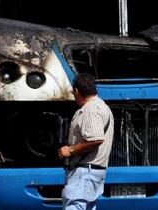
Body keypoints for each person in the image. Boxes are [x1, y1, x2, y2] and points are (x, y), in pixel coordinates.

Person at [58, 73, 114, 210]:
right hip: (92, 172)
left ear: (76, 91)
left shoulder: (91, 109)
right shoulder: (102, 106)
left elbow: (95, 139)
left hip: (84, 172)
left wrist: (70, 150)